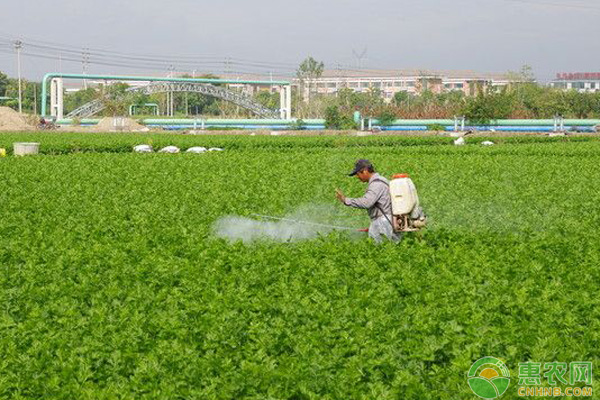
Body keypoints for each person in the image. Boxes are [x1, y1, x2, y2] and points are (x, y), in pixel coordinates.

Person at [336, 159, 400, 243]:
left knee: (380, 251)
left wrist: (346, 200)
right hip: (389, 220)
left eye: (358, 174)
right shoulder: (382, 180)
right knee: (391, 249)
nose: (357, 177)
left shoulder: (376, 184)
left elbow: (367, 202)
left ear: (365, 171)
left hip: (384, 222)